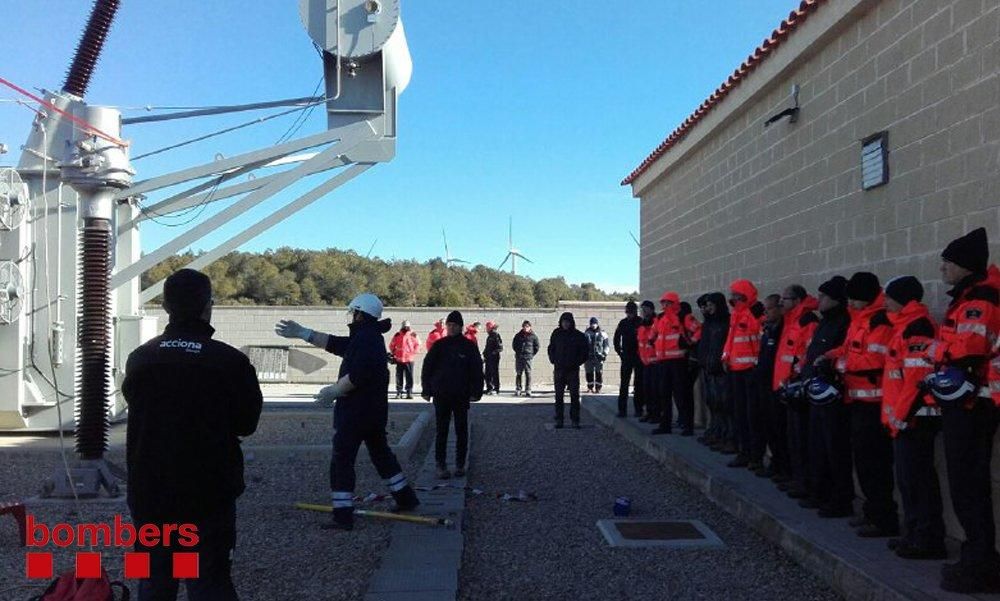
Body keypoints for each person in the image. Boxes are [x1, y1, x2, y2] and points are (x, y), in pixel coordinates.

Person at [124, 269, 263, 601]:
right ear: (208, 306)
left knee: (156, 579)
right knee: (208, 580)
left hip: (150, 491)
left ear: (166, 306)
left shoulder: (141, 358)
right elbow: (246, 423)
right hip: (207, 494)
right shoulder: (229, 361)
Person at [275, 293, 419, 531]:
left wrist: (334, 391)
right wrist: (305, 333)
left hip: (356, 412)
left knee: (342, 460)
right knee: (381, 455)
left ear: (361, 313)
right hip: (372, 412)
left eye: (354, 312)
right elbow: (338, 345)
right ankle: (406, 498)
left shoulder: (366, 339)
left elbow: (358, 374)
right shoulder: (369, 336)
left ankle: (343, 515)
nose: (352, 316)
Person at [924, 228, 1000, 593]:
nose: (942, 269)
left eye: (947, 263)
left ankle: (980, 565)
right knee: (968, 485)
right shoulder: (970, 295)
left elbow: (968, 349)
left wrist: (936, 355)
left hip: (973, 404)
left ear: (963, 266)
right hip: (967, 402)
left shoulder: (979, 298)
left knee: (969, 486)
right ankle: (977, 557)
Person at [826, 272, 898, 537]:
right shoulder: (859, 320)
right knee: (865, 463)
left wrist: (839, 364)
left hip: (874, 403)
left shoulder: (880, 322)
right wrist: (829, 356)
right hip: (857, 399)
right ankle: (872, 512)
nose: (851, 305)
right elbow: (848, 350)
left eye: (855, 300)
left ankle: (883, 518)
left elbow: (875, 360)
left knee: (876, 464)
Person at [881, 276, 946, 562]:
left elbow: (917, 380)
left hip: (915, 419)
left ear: (903, 299)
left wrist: (900, 418)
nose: (885, 302)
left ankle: (928, 539)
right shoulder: (904, 326)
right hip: (905, 419)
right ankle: (914, 532)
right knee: (907, 481)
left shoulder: (917, 327)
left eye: (889, 297)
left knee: (918, 480)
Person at [801, 276, 853, 518]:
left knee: (835, 449)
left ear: (835, 299)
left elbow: (843, 356)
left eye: (823, 296)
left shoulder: (844, 322)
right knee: (817, 446)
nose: (818, 300)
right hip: (816, 393)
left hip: (833, 396)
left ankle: (840, 499)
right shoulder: (825, 323)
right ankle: (819, 492)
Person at [422, 311, 484, 479]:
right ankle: (440, 465)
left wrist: (477, 392)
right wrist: (426, 390)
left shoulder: (469, 346)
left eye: (455, 325)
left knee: (461, 430)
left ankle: (459, 464)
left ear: (460, 327)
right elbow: (427, 367)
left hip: (461, 394)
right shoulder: (439, 345)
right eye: (449, 325)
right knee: (441, 430)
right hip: (441, 394)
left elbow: (477, 370)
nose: (451, 328)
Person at [774, 285, 819, 499]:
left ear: (798, 300)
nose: (782, 302)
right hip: (785, 386)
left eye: (786, 298)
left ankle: (805, 482)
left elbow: (805, 354)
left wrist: (795, 378)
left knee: (801, 439)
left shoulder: (806, 321)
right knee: (790, 437)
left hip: (797, 388)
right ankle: (795, 477)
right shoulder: (791, 319)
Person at [722, 279, 761, 466]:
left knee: (752, 416)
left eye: (735, 296)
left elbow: (758, 341)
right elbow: (731, 340)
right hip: (735, 370)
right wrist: (726, 357)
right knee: (739, 414)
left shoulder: (754, 314)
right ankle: (744, 452)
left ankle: (755, 456)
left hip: (750, 372)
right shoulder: (736, 315)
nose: (732, 299)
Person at [755, 293, 787, 479]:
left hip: (777, 386)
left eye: (769, 309)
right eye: (765, 309)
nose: (765, 312)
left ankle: (783, 467)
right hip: (764, 384)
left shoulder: (782, 329)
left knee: (779, 428)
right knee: (769, 426)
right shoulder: (768, 329)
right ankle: (776, 463)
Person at [653, 292, 691, 435]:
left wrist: (688, 343)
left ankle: (687, 424)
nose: (664, 306)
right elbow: (654, 333)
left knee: (680, 395)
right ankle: (665, 425)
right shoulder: (660, 318)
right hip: (663, 361)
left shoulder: (683, 317)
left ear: (674, 303)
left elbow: (697, 330)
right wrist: (652, 341)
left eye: (667, 303)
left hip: (678, 361)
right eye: (663, 303)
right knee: (664, 395)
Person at [697, 292, 730, 450]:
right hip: (709, 368)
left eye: (710, 306)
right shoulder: (710, 323)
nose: (708, 309)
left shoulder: (725, 322)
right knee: (713, 403)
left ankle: (726, 436)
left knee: (724, 404)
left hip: (720, 370)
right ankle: (716, 432)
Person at [548, 312, 589, 428]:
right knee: (559, 396)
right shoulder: (556, 334)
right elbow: (551, 348)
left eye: (568, 322)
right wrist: (553, 359)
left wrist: (577, 362)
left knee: (574, 396)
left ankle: (575, 420)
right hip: (559, 369)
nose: (566, 324)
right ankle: (559, 419)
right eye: (564, 322)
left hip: (572, 370)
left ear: (572, 322)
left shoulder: (578, 336)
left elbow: (585, 352)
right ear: (561, 323)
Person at [614, 301, 643, 417]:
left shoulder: (640, 322)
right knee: (624, 384)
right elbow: (616, 338)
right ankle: (622, 410)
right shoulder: (623, 323)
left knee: (638, 384)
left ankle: (638, 409)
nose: (629, 314)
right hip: (626, 356)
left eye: (631, 312)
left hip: (638, 356)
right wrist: (619, 352)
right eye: (628, 312)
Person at [637, 301, 660, 423]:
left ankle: (656, 414)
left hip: (656, 362)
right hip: (645, 362)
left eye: (646, 309)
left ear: (651, 309)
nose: (644, 312)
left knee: (655, 390)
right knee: (646, 389)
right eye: (643, 309)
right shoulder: (642, 325)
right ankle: (649, 412)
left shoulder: (657, 323)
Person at [389, 320, 421, 399]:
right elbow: (392, 345)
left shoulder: (413, 334)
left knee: (409, 376)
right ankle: (399, 392)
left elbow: (418, 344)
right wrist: (393, 353)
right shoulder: (397, 335)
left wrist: (413, 352)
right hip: (399, 359)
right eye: (404, 326)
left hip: (409, 359)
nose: (406, 327)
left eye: (407, 326)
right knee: (399, 376)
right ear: (402, 326)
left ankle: (409, 392)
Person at [512, 320, 540, 397]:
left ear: (530, 327)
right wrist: (518, 352)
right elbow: (514, 345)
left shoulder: (533, 336)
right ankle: (518, 389)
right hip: (519, 357)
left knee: (528, 373)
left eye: (527, 326)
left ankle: (528, 389)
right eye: (524, 326)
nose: (525, 328)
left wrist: (531, 354)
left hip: (528, 357)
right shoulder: (518, 335)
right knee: (519, 373)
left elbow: (537, 346)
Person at [584, 317, 610, 393]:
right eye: (592, 324)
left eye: (594, 323)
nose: (593, 325)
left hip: (599, 357)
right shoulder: (586, 333)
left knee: (599, 373)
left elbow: (606, 345)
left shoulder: (603, 333)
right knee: (589, 372)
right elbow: (583, 346)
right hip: (588, 357)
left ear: (597, 324)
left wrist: (604, 354)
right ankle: (590, 387)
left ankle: (598, 388)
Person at [483, 321, 503, 395]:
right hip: (488, 358)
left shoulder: (496, 335)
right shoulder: (489, 336)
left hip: (494, 358)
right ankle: (489, 388)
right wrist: (485, 353)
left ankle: (496, 388)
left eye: (487, 327)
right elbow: (487, 347)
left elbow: (500, 348)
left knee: (494, 373)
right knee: (487, 373)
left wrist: (492, 354)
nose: (486, 329)